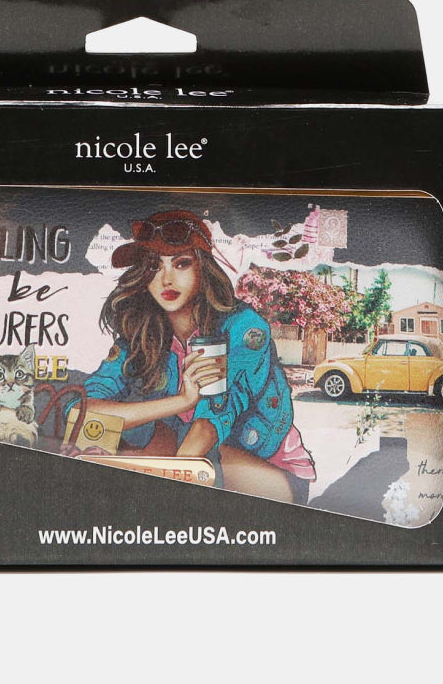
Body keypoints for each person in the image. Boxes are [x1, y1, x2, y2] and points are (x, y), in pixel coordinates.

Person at [78, 210, 316, 504]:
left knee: (186, 458)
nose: (166, 279)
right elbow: (84, 412)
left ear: (203, 268)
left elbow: (211, 423)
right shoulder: (141, 334)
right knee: (145, 438)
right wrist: (181, 401)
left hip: (267, 470)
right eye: (153, 266)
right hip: (188, 459)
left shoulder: (243, 328)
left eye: (181, 263)